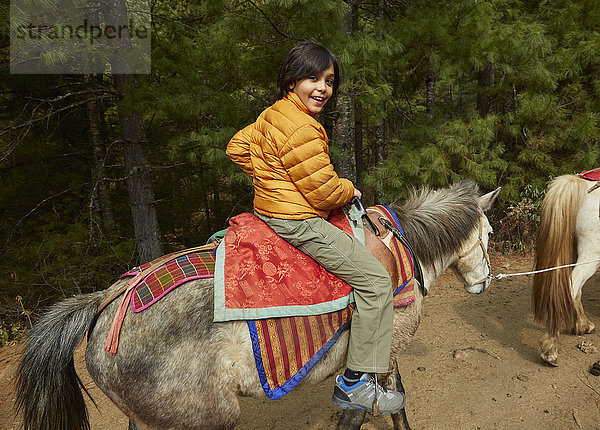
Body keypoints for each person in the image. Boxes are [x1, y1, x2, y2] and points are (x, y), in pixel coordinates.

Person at [226, 41, 404, 414]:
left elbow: (237, 148)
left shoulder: (272, 114)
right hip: (298, 222)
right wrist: (351, 189)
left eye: (329, 80)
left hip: (270, 211)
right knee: (375, 282)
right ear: (292, 80)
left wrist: (273, 178)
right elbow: (324, 192)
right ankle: (356, 381)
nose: (322, 88)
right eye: (313, 78)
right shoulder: (303, 127)